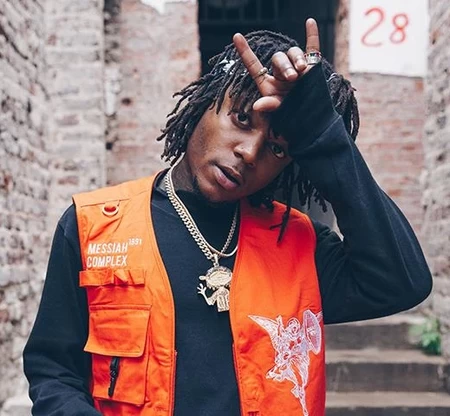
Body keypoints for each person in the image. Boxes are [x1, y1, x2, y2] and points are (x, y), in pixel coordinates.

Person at [23, 18, 432, 416]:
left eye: (277, 149)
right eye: (242, 119)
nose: (249, 153)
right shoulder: (94, 226)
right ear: (204, 102)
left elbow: (401, 282)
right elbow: (54, 373)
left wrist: (325, 138)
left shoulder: (298, 243)